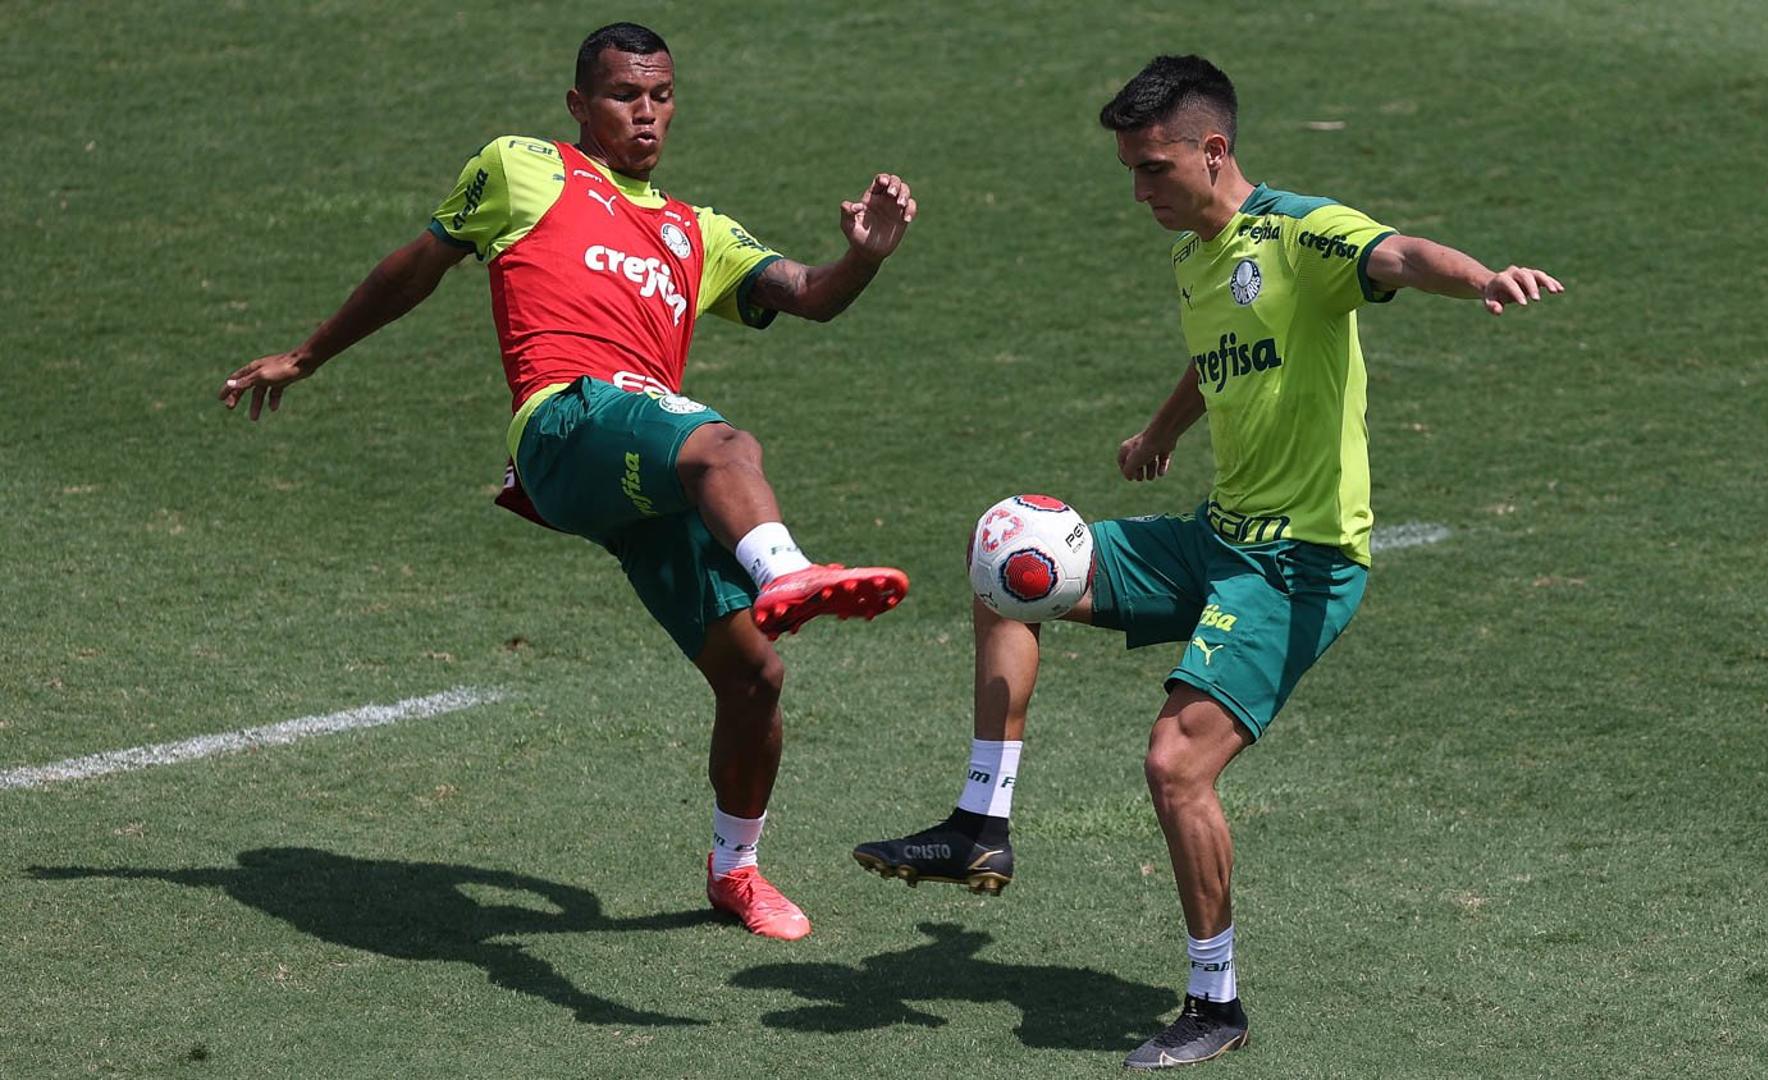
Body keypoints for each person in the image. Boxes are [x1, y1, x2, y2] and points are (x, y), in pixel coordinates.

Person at [853, 55, 1562, 1068]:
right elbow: (1219, 350)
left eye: (1152, 168)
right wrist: (1161, 430)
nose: (1139, 190)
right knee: (1007, 564)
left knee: (1174, 765)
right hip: (1219, 534)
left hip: (1299, 566)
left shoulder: (1302, 232)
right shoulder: (1195, 255)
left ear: (1213, 149)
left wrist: (1482, 278)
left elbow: (1396, 255)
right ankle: (980, 821)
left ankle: (1215, 1001)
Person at [219, 22, 919, 941]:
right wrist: (308, 357)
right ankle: (783, 568)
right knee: (723, 445)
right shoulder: (522, 168)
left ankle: (736, 871)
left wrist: (863, 254)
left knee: (754, 678)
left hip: (634, 468)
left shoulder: (694, 230)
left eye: (662, 96)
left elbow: (813, 294)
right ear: (580, 105)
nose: (647, 113)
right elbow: (416, 267)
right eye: (627, 95)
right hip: (562, 423)